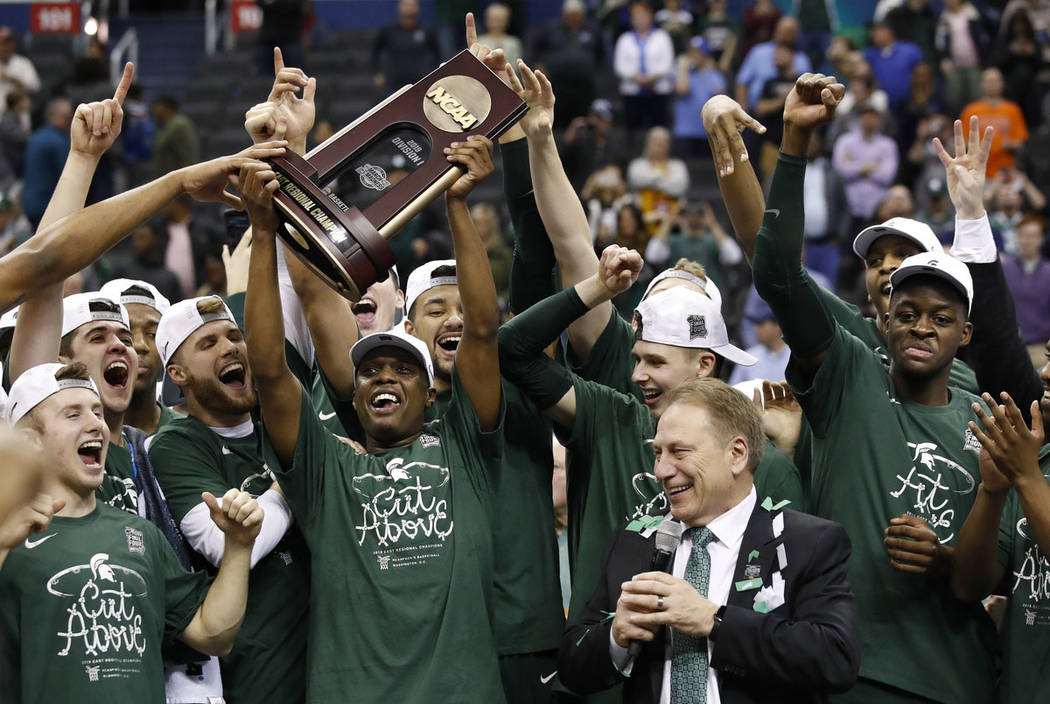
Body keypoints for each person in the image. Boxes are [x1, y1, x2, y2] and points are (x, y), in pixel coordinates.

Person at [750, 72, 995, 704]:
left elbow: (997, 574)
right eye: (905, 309)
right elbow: (778, 272)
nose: (920, 325)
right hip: (847, 669)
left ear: (966, 333)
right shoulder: (851, 374)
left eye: (942, 317)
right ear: (882, 315)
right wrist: (796, 142)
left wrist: (945, 562)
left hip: (957, 678)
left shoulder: (989, 417)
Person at [239, 128, 508, 702]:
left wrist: (457, 203)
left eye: (404, 369)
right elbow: (267, 370)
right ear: (354, 398)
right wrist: (264, 233)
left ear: (433, 393)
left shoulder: (465, 449)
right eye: (370, 372)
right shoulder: (325, 469)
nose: (384, 376)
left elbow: (484, 330)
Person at [559, 377, 860, 702]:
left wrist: (713, 620)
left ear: (737, 454)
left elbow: (836, 658)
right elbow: (573, 669)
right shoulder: (635, 541)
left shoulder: (807, 542)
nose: (661, 470)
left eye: (679, 452)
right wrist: (615, 637)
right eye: (658, 452)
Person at [0, 361, 262, 704]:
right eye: (73, 414)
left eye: (96, 411)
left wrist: (239, 546)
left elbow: (212, 633)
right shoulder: (8, 533)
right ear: (30, 441)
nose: (96, 424)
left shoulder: (141, 534)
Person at [950, 388, 1050, 704]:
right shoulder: (1039, 465)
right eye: (1048, 357)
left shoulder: (1030, 472)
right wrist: (992, 491)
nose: (1047, 373)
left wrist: (1026, 476)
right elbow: (967, 586)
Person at [97, 279, 177, 436]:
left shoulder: (188, 436)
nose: (140, 345)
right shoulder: (76, 435)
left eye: (153, 334)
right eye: (125, 334)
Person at [831, 103, 899, 235]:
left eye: (873, 116)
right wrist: (870, 166)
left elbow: (887, 176)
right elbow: (839, 171)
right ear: (859, 118)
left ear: (880, 119)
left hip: (877, 209)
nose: (869, 120)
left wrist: (853, 164)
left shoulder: (888, 145)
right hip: (849, 207)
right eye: (865, 116)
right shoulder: (845, 141)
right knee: (847, 251)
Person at [613, 1, 675, 132]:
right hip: (632, 92)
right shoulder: (625, 39)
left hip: (658, 91)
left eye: (643, 15)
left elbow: (668, 63)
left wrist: (654, 77)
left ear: (650, 16)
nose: (640, 19)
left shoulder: (662, 37)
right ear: (632, 19)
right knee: (633, 131)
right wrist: (635, 77)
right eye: (636, 16)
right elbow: (619, 66)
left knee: (658, 130)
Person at [734, 16, 811, 112]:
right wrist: (742, 110)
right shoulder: (758, 52)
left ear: (796, 34)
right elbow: (742, 82)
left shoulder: (801, 59)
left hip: (791, 111)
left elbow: (807, 90)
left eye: (788, 31)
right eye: (780, 30)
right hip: (757, 110)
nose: (782, 34)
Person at [961, 67, 1028, 177]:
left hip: (1005, 172)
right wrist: (982, 146)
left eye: (995, 80)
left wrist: (1004, 145)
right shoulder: (971, 111)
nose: (991, 84)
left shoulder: (1012, 110)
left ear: (1002, 83)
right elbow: (963, 141)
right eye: (988, 81)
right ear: (981, 84)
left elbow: (1020, 142)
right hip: (977, 172)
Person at [1002, 216, 1050, 364]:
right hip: (1010, 346)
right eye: (1023, 235)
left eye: (1033, 236)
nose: (1027, 241)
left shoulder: (1048, 272)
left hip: (1041, 348)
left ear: (1041, 239)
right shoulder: (1005, 269)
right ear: (1017, 237)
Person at [370, 0, 441, 95]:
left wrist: (435, 75)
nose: (409, 8)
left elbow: (438, 53)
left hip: (420, 83)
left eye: (412, 5)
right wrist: (376, 73)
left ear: (418, 8)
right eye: (406, 5)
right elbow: (374, 51)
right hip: (393, 85)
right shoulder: (388, 30)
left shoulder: (427, 30)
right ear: (399, 8)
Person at [21, 97, 72, 229]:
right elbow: (67, 175)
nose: (70, 121)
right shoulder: (59, 141)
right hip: (48, 205)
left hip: (30, 202)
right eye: (66, 117)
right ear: (54, 116)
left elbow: (19, 166)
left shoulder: (35, 137)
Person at [671, 37, 726, 157]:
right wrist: (683, 69)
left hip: (707, 131)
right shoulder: (682, 74)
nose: (694, 56)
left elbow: (720, 100)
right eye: (691, 52)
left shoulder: (715, 76)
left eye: (698, 53)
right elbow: (682, 90)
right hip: (684, 131)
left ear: (705, 55)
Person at [861, 21, 923, 112]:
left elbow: (923, 75)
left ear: (889, 32)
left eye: (877, 31)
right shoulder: (870, 54)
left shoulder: (909, 51)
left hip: (911, 106)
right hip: (883, 109)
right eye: (873, 32)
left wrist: (919, 97)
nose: (873, 34)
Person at [150, 97, 200, 180]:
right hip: (169, 178)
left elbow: (188, 155)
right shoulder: (168, 124)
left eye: (157, 107)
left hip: (179, 180)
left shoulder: (178, 125)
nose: (154, 111)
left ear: (167, 108)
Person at [0, 27, 39, 111]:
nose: (5, 47)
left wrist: (11, 78)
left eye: (8, 43)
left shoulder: (23, 63)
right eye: (2, 43)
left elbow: (34, 86)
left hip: (19, 115)